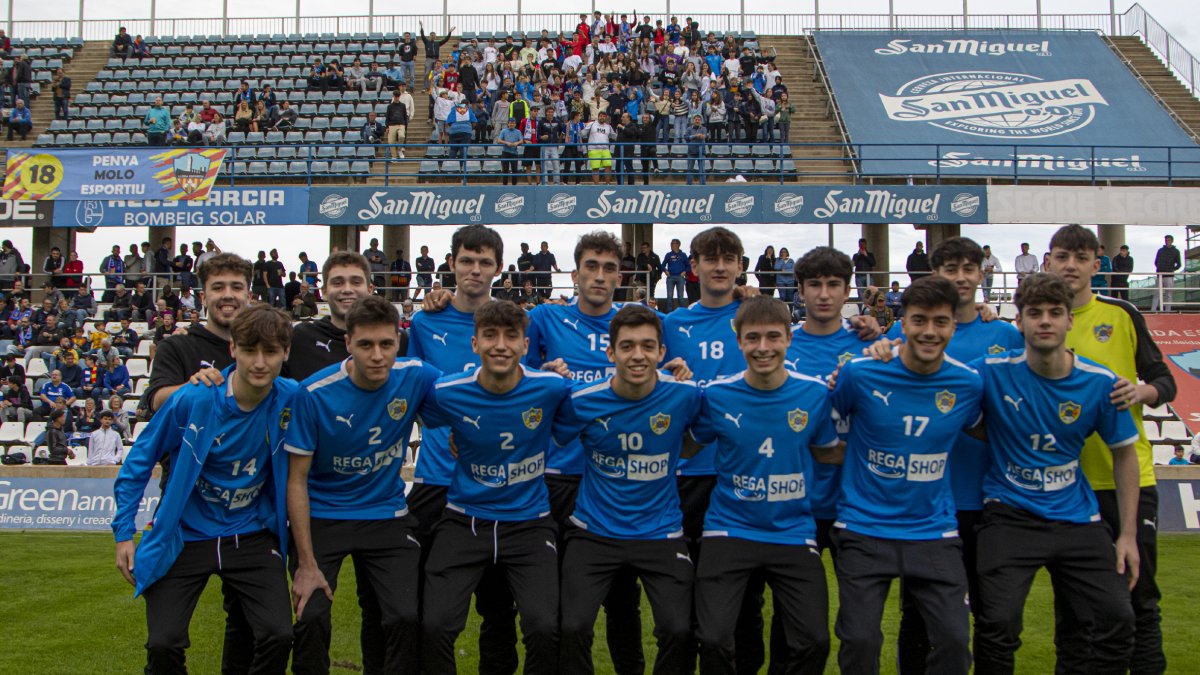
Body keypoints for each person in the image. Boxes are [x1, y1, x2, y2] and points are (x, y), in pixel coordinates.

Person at [112, 304, 297, 674]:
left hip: (251, 534)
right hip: (185, 535)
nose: (259, 362)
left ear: (286, 353)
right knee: (164, 644)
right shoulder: (194, 398)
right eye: (249, 350)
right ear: (232, 349)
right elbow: (140, 459)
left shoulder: (292, 398)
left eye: (271, 352)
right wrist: (123, 533)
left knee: (278, 635)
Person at [970, 272, 1140, 673]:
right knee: (997, 624)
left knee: (1118, 619)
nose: (1044, 320)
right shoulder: (989, 372)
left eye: (1054, 312)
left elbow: (1126, 455)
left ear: (1069, 321)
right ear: (1020, 322)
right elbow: (933, 375)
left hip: (1078, 519)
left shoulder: (1100, 383)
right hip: (1009, 515)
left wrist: (1128, 534)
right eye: (1034, 313)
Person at [883, 237, 1024, 675]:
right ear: (935, 275)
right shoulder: (903, 332)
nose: (960, 277)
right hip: (924, 503)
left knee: (993, 615)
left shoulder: (1003, 333)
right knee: (920, 616)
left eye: (969, 268)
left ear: (982, 274)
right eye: (950, 269)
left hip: (991, 499)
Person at [830, 275, 982, 675]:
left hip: (934, 531)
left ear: (953, 324)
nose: (929, 332)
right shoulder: (861, 373)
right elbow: (827, 427)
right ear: (903, 322)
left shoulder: (968, 384)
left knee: (953, 640)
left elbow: (987, 429)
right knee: (860, 641)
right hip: (864, 527)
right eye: (919, 320)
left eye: (940, 322)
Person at [1044, 224, 1176, 675]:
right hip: (1066, 489)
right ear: (1048, 262)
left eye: (1081, 258)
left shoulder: (1121, 314)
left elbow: (1166, 381)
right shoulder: (1036, 320)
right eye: (1062, 256)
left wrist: (1143, 393)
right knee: (1073, 608)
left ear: (1096, 266)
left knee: (1140, 598)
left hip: (1128, 483)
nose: (1071, 266)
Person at [286, 296, 439, 675]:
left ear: (398, 343)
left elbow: (470, 400)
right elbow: (297, 480)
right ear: (348, 343)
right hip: (325, 514)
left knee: (405, 616)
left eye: (386, 344)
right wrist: (305, 563)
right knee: (311, 616)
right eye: (366, 345)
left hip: (386, 513)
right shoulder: (314, 393)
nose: (377, 355)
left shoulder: (416, 376)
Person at [417, 300, 570, 675]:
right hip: (464, 520)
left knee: (545, 627)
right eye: (490, 335)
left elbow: (601, 403)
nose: (500, 344)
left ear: (525, 346)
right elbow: (410, 408)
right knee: (434, 625)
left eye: (511, 336)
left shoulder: (551, 388)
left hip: (529, 523)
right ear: (474, 344)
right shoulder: (448, 391)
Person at [692, 296, 841, 674]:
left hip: (792, 532)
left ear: (789, 338)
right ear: (738, 341)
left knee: (814, 641)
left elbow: (828, 452)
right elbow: (687, 443)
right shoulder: (718, 395)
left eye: (773, 337)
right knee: (711, 639)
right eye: (752, 338)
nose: (762, 348)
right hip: (730, 529)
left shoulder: (814, 394)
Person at [555, 305, 701, 674]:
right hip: (594, 532)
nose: (638, 355)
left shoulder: (685, 396)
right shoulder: (582, 400)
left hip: (661, 532)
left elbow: (700, 436)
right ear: (611, 352)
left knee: (679, 629)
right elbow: (539, 433)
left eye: (648, 346)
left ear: (662, 353)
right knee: (571, 627)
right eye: (628, 346)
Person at [408, 225, 524, 672]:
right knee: (430, 610)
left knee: (499, 611)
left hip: (497, 486)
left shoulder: (511, 324)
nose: (475, 270)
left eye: (485, 262)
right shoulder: (424, 321)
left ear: (497, 267)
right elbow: (414, 395)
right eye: (467, 260)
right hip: (436, 481)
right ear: (451, 263)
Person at [418, 22, 456, 92]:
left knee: (436, 73)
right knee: (427, 73)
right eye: (431, 35)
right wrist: (421, 27)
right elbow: (422, 36)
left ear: (435, 36)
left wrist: (450, 32)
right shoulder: (427, 42)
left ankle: (434, 87)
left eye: (434, 35)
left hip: (436, 60)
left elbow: (445, 40)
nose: (433, 36)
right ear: (430, 36)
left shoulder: (437, 43)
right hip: (429, 59)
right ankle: (425, 87)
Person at [1152, 234, 1181, 312]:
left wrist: (1172, 269)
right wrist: (1159, 268)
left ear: (1172, 241)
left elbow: (1179, 264)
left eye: (1168, 240)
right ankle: (1153, 309)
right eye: (1166, 240)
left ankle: (1168, 310)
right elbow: (1156, 262)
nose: (1167, 241)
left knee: (1169, 294)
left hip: (1169, 275)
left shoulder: (1176, 251)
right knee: (1157, 293)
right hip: (1160, 274)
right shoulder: (1160, 250)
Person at [662, 239, 690, 313]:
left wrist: (685, 271)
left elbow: (689, 266)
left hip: (680, 277)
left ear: (678, 244)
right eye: (671, 243)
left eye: (673, 243)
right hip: (670, 277)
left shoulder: (683, 255)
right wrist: (665, 271)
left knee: (680, 297)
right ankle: (669, 315)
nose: (672, 245)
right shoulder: (668, 255)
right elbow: (662, 265)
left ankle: (683, 314)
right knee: (669, 297)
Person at [385, 89, 410, 159]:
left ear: (399, 96)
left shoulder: (403, 105)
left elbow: (405, 116)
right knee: (391, 142)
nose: (396, 97)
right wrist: (387, 127)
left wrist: (405, 126)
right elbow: (387, 117)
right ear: (393, 96)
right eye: (395, 96)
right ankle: (394, 157)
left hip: (401, 124)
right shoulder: (389, 106)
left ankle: (399, 150)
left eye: (398, 96)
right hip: (391, 125)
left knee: (402, 136)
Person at [685, 114, 707, 185]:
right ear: (693, 120)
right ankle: (689, 184)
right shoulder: (689, 129)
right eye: (696, 119)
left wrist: (701, 136)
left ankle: (703, 184)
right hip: (691, 152)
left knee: (702, 170)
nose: (697, 121)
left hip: (701, 152)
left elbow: (704, 136)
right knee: (689, 169)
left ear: (701, 121)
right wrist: (695, 136)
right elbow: (686, 137)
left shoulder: (704, 129)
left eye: (698, 120)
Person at [852, 238, 876, 303]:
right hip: (859, 276)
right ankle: (862, 309)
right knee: (860, 294)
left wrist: (866, 256)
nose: (862, 246)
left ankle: (870, 308)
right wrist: (859, 255)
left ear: (865, 245)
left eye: (863, 245)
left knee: (871, 293)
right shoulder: (855, 255)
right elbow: (853, 264)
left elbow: (873, 263)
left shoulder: (870, 255)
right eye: (860, 245)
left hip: (869, 276)